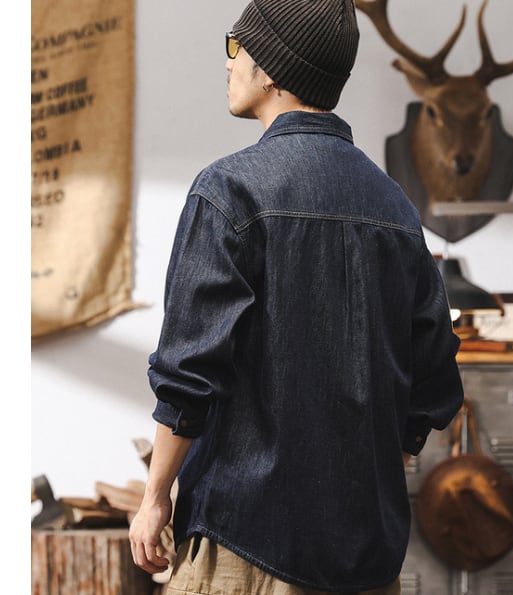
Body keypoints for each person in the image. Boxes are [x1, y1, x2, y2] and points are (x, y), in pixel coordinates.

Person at [129, 0, 464, 593]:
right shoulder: (396, 208)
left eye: (237, 47)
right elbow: (433, 382)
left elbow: (190, 372)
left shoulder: (228, 191)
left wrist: (155, 497)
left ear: (271, 69)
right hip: (366, 559)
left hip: (246, 544)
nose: (228, 63)